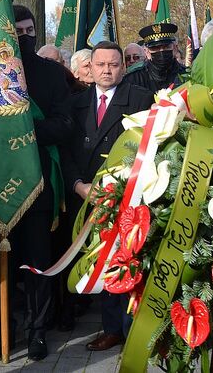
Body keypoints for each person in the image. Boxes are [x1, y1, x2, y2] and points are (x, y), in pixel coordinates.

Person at [0, 5, 73, 363]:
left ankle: (37, 332)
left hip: (37, 184)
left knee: (37, 263)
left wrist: (22, 130)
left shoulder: (50, 74)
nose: (23, 36)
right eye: (15, 31)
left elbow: (64, 124)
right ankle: (2, 330)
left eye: (29, 29)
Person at [64, 41, 154, 352]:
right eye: (100, 64)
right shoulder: (75, 103)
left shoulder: (141, 100)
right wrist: (78, 184)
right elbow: (66, 151)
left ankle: (132, 329)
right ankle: (111, 327)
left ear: (123, 67)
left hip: (127, 200)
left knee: (127, 261)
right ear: (89, 67)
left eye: (113, 64)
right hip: (87, 197)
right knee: (102, 263)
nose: (106, 70)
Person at [123, 23, 187, 93]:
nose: (161, 51)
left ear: (175, 48)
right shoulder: (134, 80)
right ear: (146, 52)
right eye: (155, 48)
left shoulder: (187, 75)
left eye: (166, 47)